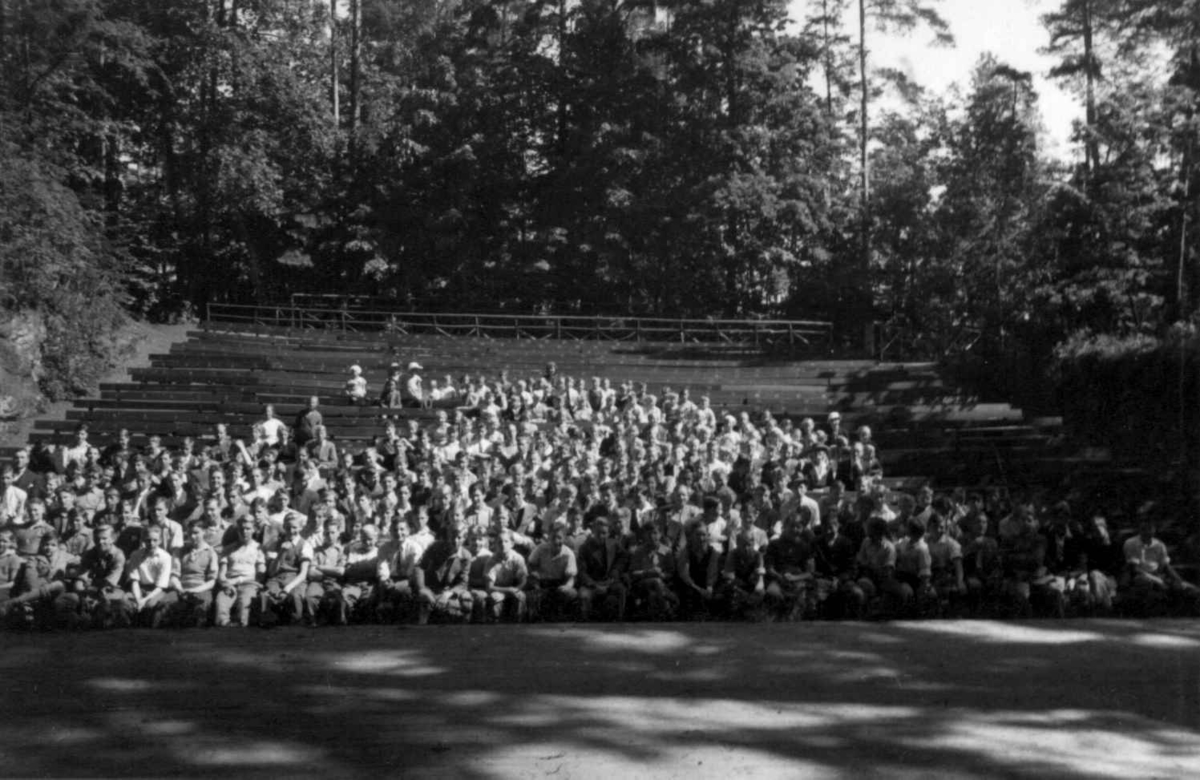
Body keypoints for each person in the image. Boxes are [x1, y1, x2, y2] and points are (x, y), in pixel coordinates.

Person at [413, 521, 472, 624]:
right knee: (424, 601)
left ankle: (463, 629)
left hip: (449, 589)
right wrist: (422, 588)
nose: (454, 541)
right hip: (431, 587)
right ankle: (422, 628)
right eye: (451, 537)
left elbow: (463, 583)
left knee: (467, 599)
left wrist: (447, 594)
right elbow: (419, 566)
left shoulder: (466, 556)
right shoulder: (435, 547)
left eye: (459, 537)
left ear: (464, 538)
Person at [214, 515, 265, 627]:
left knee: (244, 605)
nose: (244, 532)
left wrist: (239, 580)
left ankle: (242, 632)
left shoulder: (258, 548)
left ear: (254, 530)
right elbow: (222, 573)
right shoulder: (228, 549)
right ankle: (224, 629)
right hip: (229, 584)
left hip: (249, 584)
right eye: (241, 529)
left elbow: (260, 574)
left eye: (248, 529)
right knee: (221, 602)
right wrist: (225, 583)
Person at [576, 514, 627, 622]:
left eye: (604, 533)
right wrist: (595, 585)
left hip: (609, 582)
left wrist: (616, 571)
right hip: (591, 584)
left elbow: (623, 558)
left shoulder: (614, 544)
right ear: (593, 531)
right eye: (598, 533)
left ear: (608, 533)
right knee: (584, 596)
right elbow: (582, 572)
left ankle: (619, 622)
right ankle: (586, 626)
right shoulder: (584, 548)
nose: (601, 536)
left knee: (621, 590)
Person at [167, 521, 219, 628]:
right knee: (166, 604)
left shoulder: (211, 552)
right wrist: (180, 588)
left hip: (201, 589)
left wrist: (195, 590)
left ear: (204, 532)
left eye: (196, 533)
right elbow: (174, 576)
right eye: (190, 533)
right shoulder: (180, 551)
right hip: (181, 588)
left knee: (200, 605)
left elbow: (211, 581)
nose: (192, 536)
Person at [122, 525, 175, 628]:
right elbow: (134, 580)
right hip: (140, 588)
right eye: (148, 540)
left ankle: (150, 626)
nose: (151, 543)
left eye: (155, 540)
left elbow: (161, 586)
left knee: (150, 604)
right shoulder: (135, 555)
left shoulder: (165, 557)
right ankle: (130, 626)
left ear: (160, 541)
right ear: (143, 540)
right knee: (125, 600)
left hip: (156, 589)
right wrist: (138, 599)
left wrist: (144, 600)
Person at [526, 522, 578, 621]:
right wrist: (535, 576)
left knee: (570, 593)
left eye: (559, 537)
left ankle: (562, 618)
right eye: (553, 537)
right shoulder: (540, 549)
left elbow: (571, 577)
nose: (555, 541)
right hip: (542, 582)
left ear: (565, 539)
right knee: (532, 591)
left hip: (559, 583)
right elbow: (530, 565)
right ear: (548, 537)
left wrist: (567, 586)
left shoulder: (568, 554)